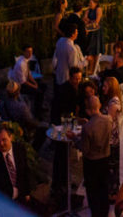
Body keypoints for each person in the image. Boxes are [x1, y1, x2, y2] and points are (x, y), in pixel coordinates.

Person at [75, 95, 112, 217]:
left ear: (88, 110)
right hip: (105, 160)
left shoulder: (87, 128)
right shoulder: (108, 120)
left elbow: (85, 150)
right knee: (104, 189)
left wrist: (76, 140)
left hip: (92, 163)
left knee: (92, 192)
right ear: (100, 105)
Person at [50, 67, 82, 198]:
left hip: (67, 122)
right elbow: (61, 111)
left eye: (79, 78)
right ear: (70, 78)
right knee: (61, 155)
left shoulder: (76, 88)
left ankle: (63, 181)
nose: (77, 81)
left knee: (65, 155)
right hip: (61, 124)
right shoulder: (64, 90)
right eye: (75, 78)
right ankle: (58, 184)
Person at [0, 81, 46, 150]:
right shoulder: (21, 106)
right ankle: (33, 150)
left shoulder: (2, 104)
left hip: (8, 127)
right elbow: (29, 120)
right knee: (44, 128)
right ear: (18, 92)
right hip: (20, 130)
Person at [101, 76, 123, 198]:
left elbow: (108, 121)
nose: (103, 88)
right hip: (109, 139)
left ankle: (112, 193)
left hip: (111, 140)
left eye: (105, 86)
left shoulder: (114, 102)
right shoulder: (108, 99)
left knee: (111, 167)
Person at [9, 44, 44, 115]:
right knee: (39, 91)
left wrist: (34, 82)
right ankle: (38, 112)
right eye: (28, 52)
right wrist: (34, 86)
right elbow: (23, 82)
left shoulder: (26, 60)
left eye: (31, 51)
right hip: (20, 86)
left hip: (25, 82)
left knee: (43, 85)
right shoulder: (20, 64)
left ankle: (39, 106)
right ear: (24, 52)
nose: (30, 54)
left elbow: (28, 74)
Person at [54, 21, 86, 86]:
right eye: (76, 32)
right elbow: (74, 67)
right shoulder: (71, 48)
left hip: (59, 73)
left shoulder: (60, 41)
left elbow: (56, 56)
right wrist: (86, 61)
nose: (77, 33)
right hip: (67, 77)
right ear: (72, 34)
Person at [83, 0, 104, 64]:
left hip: (96, 32)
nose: (90, 4)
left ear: (96, 3)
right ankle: (91, 67)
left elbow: (96, 22)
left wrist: (89, 21)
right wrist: (90, 22)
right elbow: (84, 19)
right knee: (90, 50)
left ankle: (95, 66)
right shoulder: (88, 10)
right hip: (89, 31)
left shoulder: (98, 9)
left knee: (96, 49)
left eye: (91, 3)